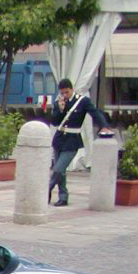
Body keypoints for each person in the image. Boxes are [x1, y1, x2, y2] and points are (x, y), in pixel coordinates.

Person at [48, 77, 113, 207]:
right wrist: (60, 110)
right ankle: (63, 196)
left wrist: (104, 125)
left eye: (66, 92)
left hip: (72, 140)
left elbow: (95, 113)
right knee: (61, 170)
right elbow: (54, 122)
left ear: (72, 89)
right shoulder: (59, 102)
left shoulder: (82, 101)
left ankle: (46, 189)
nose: (64, 95)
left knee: (58, 168)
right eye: (62, 93)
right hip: (59, 139)